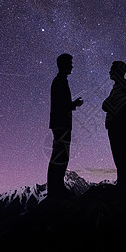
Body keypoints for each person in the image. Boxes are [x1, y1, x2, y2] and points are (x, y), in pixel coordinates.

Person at [48, 53, 83, 198]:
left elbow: (61, 104)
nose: (72, 66)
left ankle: (56, 187)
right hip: (61, 124)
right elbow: (61, 105)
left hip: (60, 123)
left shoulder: (60, 81)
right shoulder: (60, 81)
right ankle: (56, 189)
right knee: (60, 155)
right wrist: (73, 104)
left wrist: (71, 104)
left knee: (60, 154)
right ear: (63, 65)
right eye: (70, 63)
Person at [102, 61, 126, 189]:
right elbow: (107, 105)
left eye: (112, 69)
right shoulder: (118, 87)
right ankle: (121, 184)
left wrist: (107, 103)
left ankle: (121, 185)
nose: (110, 72)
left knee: (119, 155)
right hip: (115, 124)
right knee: (118, 155)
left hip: (118, 124)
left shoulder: (122, 87)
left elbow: (108, 106)